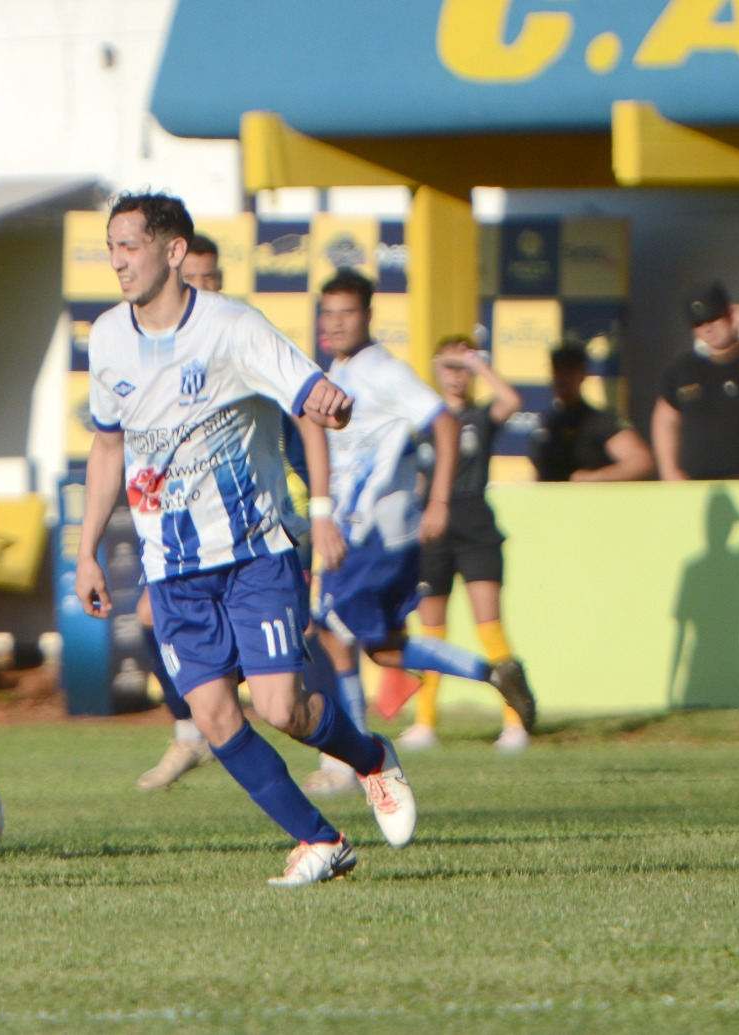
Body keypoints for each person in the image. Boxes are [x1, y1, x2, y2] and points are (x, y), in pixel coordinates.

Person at [78, 192, 415, 887]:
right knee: (213, 716)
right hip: (172, 567)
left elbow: (312, 395)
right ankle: (319, 840)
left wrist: (331, 404)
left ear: (173, 250)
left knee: (280, 708)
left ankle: (373, 758)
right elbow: (108, 446)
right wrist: (86, 550)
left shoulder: (233, 327)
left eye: (130, 245)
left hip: (254, 552)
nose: (118, 261)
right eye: (111, 247)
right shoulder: (107, 337)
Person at [303, 271, 536, 793]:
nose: (336, 323)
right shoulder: (337, 371)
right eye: (329, 313)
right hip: (365, 528)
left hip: (376, 531)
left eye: (347, 313)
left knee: (330, 630)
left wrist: (439, 500)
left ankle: (351, 764)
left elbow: (445, 423)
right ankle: (492, 672)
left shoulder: (383, 370)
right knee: (382, 647)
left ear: (368, 316)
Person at [134, 232, 334, 791]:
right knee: (150, 615)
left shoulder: (239, 333)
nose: (200, 286)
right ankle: (191, 733)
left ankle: (340, 752)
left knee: (306, 635)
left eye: (209, 277)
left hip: (272, 509)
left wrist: (321, 508)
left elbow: (306, 413)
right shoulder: (157, 346)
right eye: (191, 277)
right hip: (197, 525)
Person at [396, 334, 532, 753]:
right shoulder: (422, 421)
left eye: (463, 368)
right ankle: (425, 722)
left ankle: (516, 721)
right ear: (436, 370)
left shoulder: (479, 417)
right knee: (431, 632)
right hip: (432, 531)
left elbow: (511, 400)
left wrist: (478, 365)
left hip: (475, 527)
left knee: (489, 625)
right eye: (449, 366)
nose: (456, 375)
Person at [652, 282, 739, 481]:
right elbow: (666, 419)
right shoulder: (682, 369)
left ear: (730, 313)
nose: (707, 328)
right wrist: (670, 472)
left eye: (713, 318)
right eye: (698, 323)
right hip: (700, 485)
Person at [531, 340, 654, 482]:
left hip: (588, 495)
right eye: (558, 371)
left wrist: (593, 478)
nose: (563, 378)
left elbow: (641, 462)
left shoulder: (601, 421)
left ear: (583, 374)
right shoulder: (547, 422)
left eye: (570, 371)